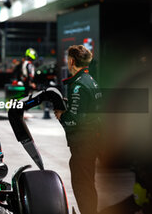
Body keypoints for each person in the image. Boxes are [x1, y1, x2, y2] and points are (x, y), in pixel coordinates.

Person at [54, 45, 102, 214]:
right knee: (88, 183)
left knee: (83, 185)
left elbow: (75, 120)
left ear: (72, 61)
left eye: (68, 59)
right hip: (92, 141)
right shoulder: (91, 80)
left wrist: (61, 116)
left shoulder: (78, 86)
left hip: (83, 143)